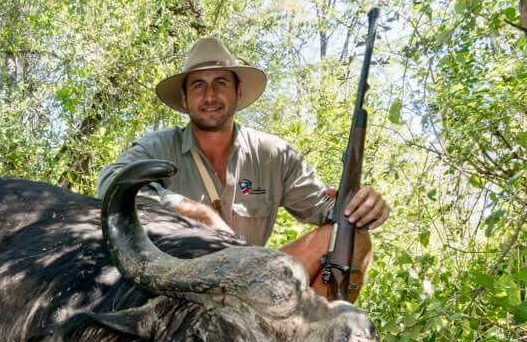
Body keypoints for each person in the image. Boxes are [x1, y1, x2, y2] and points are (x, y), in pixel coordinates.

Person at [98, 36, 389, 301]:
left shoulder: (273, 154)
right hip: (185, 286)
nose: (210, 96)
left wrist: (362, 206)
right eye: (198, 85)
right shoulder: (159, 146)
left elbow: (326, 207)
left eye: (220, 83)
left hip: (255, 282)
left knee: (352, 237)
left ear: (238, 92)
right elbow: (111, 184)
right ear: (185, 99)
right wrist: (191, 210)